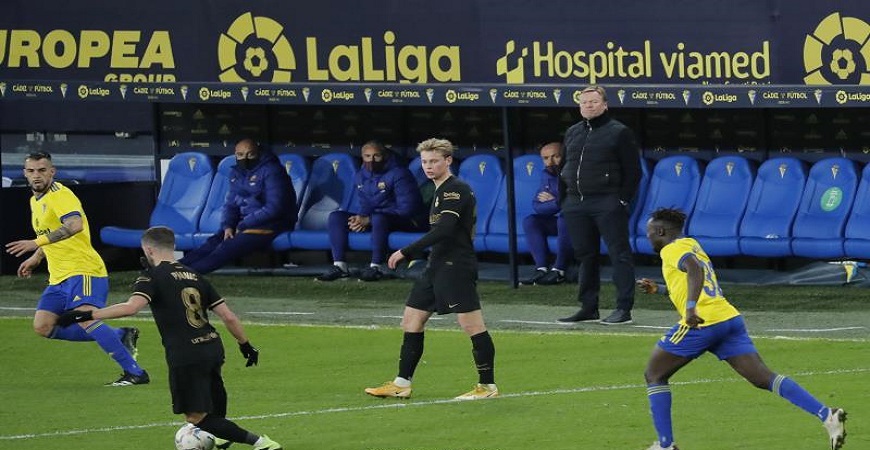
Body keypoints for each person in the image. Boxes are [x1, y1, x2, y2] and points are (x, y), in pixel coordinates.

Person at [636, 208, 847, 450]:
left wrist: (691, 308)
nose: (648, 237)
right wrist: (660, 290)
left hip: (703, 322)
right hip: (728, 319)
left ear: (660, 232)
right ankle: (827, 415)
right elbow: (691, 282)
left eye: (649, 232)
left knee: (654, 374)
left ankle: (665, 445)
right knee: (762, 377)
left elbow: (695, 270)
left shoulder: (671, 249)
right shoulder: (691, 244)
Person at [56, 226, 282, 450]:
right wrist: (245, 345)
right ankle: (222, 438)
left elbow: (131, 307)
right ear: (172, 247)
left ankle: (261, 443)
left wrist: (87, 314)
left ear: (148, 249)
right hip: (212, 345)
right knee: (213, 398)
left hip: (186, 352)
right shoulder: (195, 275)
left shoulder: (151, 276)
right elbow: (228, 316)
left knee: (195, 417)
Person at [364, 138, 498, 400]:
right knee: (411, 320)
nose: (428, 166)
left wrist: (406, 251)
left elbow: (445, 229)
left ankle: (487, 386)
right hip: (437, 264)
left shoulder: (454, 190)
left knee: (471, 325)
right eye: (425, 161)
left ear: (448, 161)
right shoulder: (439, 190)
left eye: (434, 161)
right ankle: (401, 383)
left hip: (455, 265)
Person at [4, 151, 147, 386]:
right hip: (59, 277)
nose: (36, 175)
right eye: (31, 171)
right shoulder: (35, 200)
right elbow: (51, 232)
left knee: (85, 318)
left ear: (52, 172)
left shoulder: (61, 195)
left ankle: (136, 373)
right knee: (43, 326)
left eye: (42, 170)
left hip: (83, 270)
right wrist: (37, 257)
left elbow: (74, 225)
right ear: (25, 173)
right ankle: (120, 335)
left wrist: (36, 243)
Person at [558, 85, 641, 325]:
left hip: (607, 201)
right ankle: (588, 307)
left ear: (605, 105)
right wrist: (564, 200)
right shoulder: (573, 132)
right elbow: (564, 166)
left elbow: (633, 171)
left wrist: (621, 200)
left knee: (619, 254)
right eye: (584, 102)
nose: (588, 106)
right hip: (575, 203)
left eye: (593, 102)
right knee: (585, 255)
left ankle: (623, 308)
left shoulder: (619, 132)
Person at [180, 138, 296, 274]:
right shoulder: (236, 172)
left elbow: (275, 208)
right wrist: (228, 226)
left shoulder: (273, 171)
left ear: (258, 152)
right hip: (243, 225)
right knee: (212, 243)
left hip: (271, 224)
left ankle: (186, 275)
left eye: (250, 154)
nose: (245, 158)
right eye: (240, 155)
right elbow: (231, 204)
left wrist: (243, 225)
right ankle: (171, 269)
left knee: (225, 248)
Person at [316, 140, 427, 282]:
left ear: (385, 156)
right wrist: (360, 219)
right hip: (378, 220)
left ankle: (376, 267)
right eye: (367, 156)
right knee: (336, 217)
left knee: (379, 218)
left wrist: (369, 219)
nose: (372, 160)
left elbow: (408, 209)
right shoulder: (361, 176)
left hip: (405, 221)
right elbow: (366, 204)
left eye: (376, 156)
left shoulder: (400, 173)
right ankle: (340, 266)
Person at [521, 142, 574, 285]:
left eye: (555, 156)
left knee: (565, 217)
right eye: (545, 158)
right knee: (531, 221)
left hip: (582, 223)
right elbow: (538, 206)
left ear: (565, 155)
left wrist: (555, 201)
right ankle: (541, 269)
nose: (550, 162)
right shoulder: (547, 175)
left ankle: (559, 270)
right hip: (563, 223)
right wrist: (558, 202)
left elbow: (573, 203)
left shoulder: (576, 172)